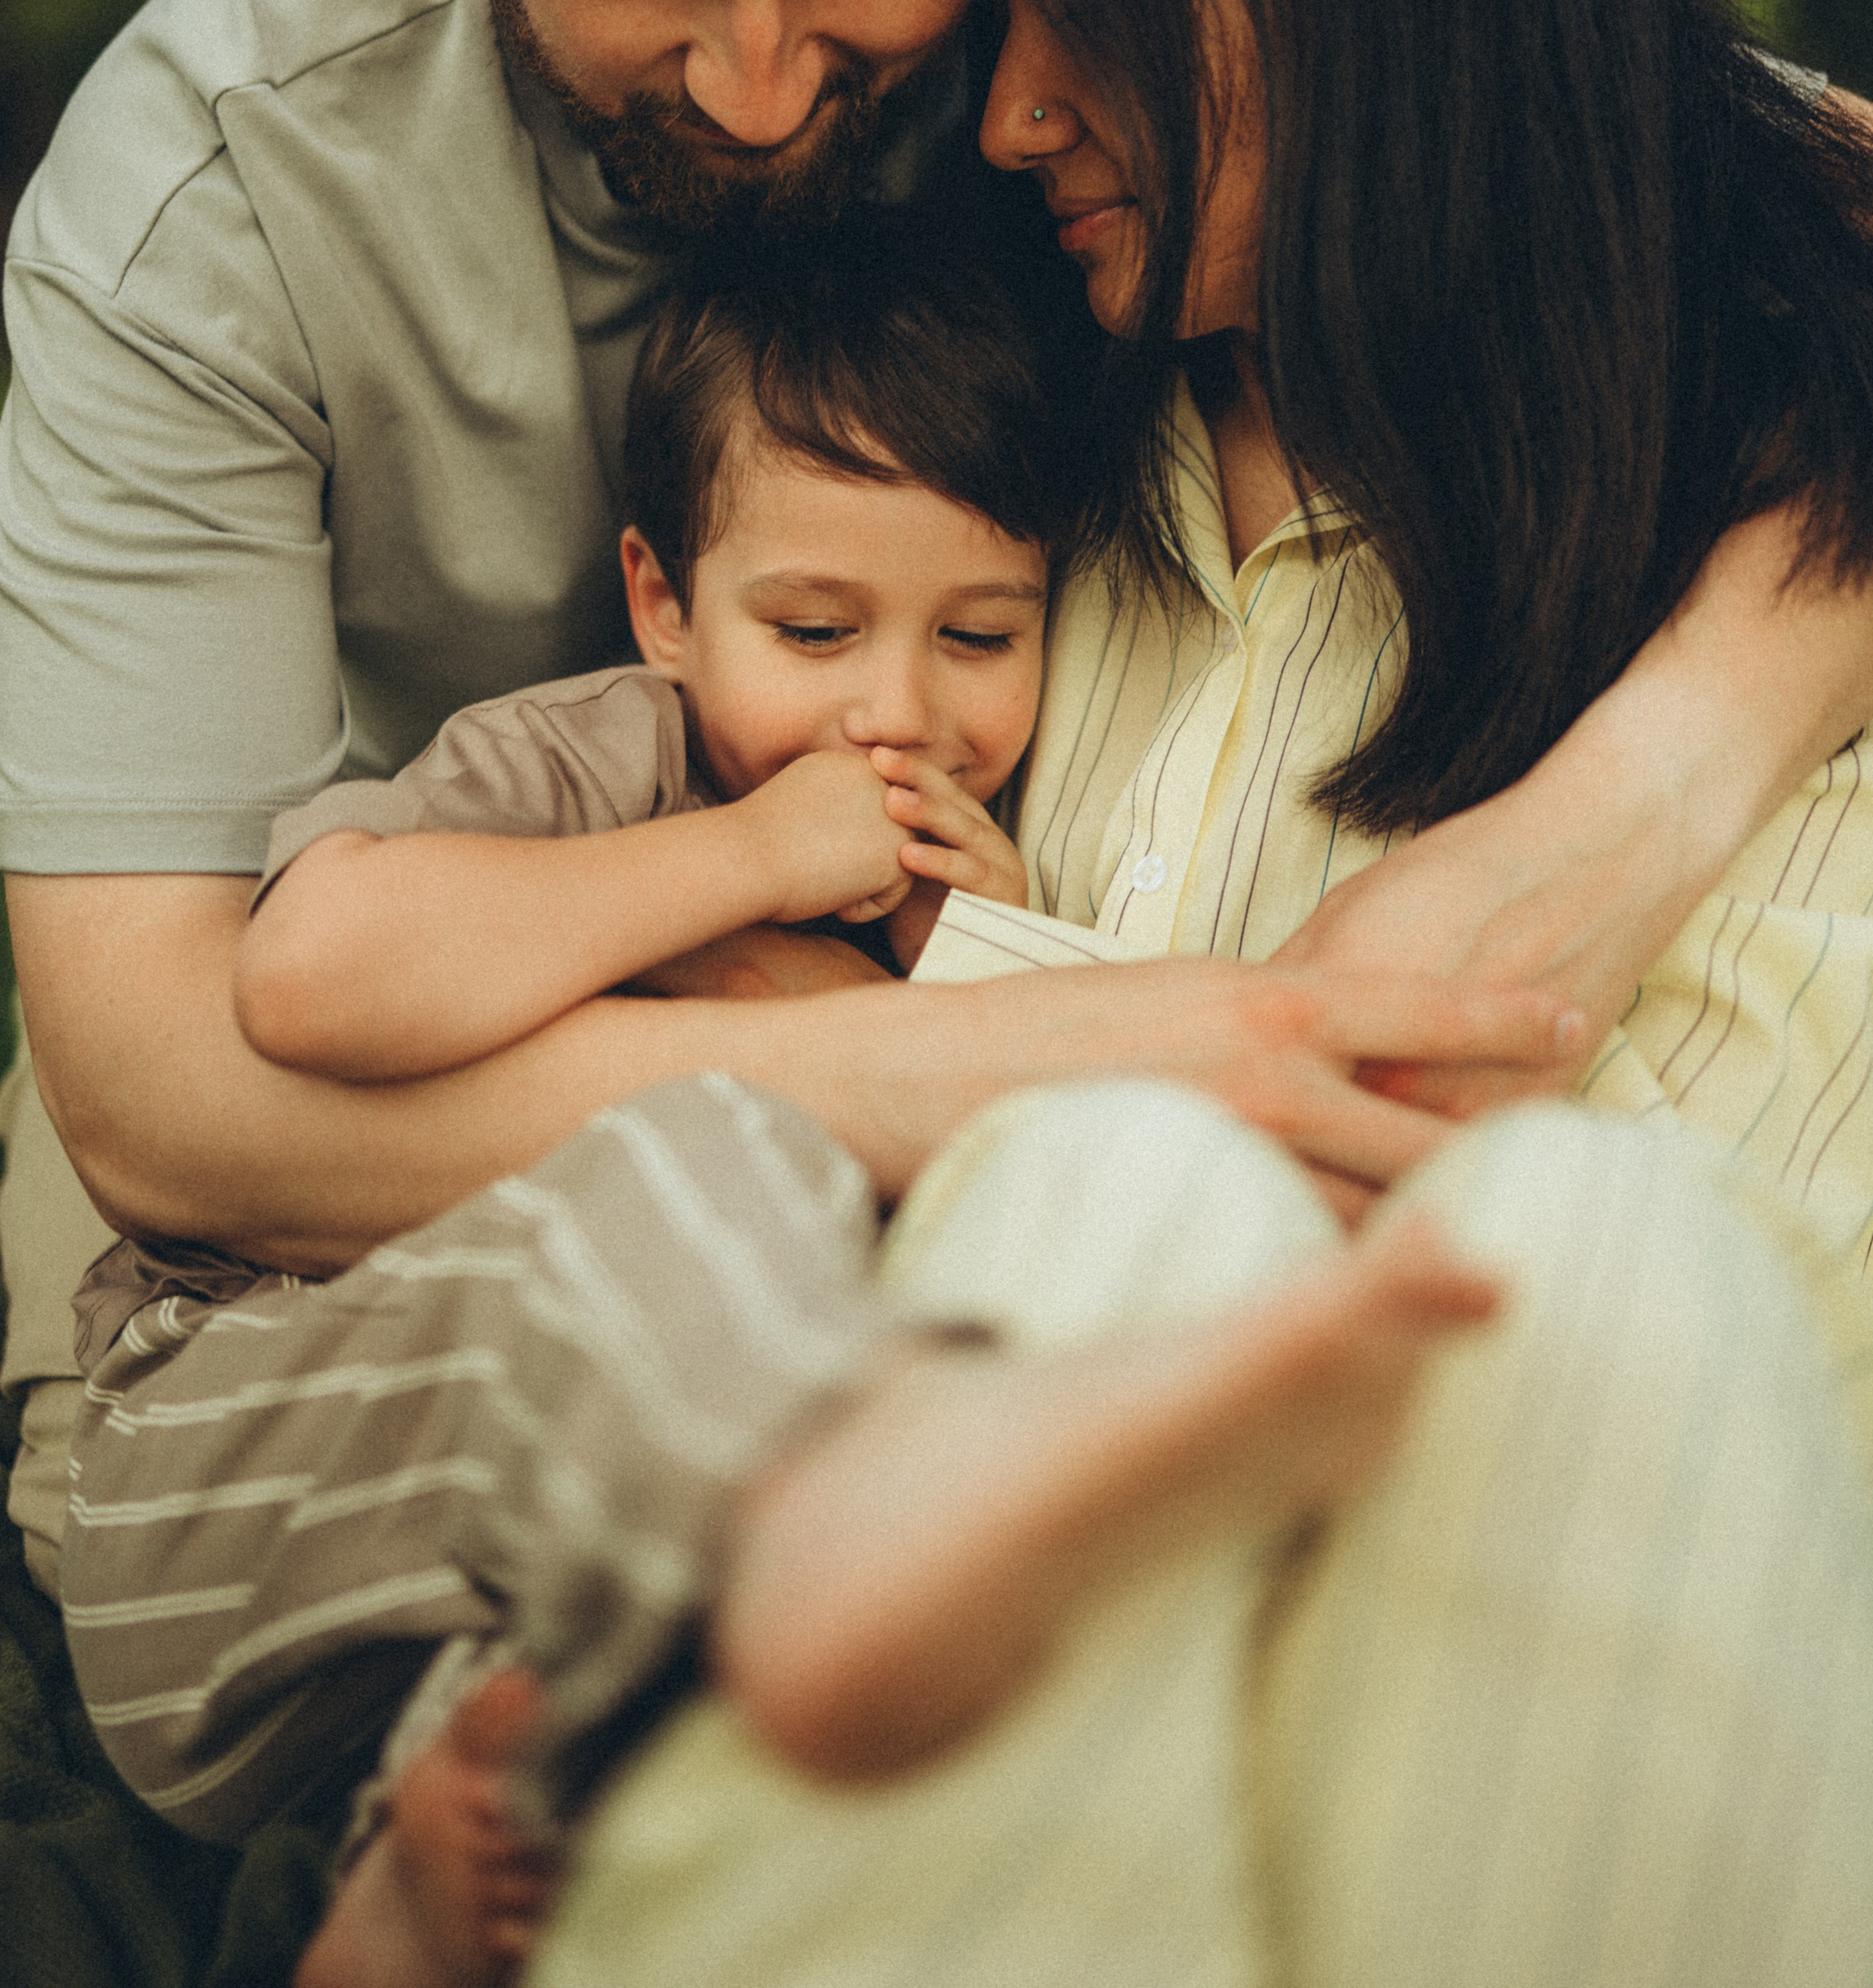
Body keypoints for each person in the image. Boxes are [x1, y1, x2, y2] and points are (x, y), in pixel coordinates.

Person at [2, 0, 1871, 1918]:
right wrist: (1065, 1043)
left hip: (957, 1252)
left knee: (1523, 1277)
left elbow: (1539, 47)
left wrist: (1764, 651)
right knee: (1091, 1224)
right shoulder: (204, 204)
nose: (778, 85)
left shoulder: (1122, 133)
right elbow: (185, 1091)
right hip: (355, 1238)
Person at [512, 0, 1873, 1988]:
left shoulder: (1780, 494)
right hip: (1072, 1727)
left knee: (1588, 1257)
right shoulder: (1009, 499)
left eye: (1086, 2)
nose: (1016, 107)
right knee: (1132, 1189)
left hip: (1629, 1633)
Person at [63, 232, 1500, 1988]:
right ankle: (858, 1504)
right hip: (212, 1513)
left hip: (515, 1581)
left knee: (783, 1351)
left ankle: (388, 1895)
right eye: (811, 630)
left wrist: (969, 956)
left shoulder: (981, 878)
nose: (894, 713)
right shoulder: (603, 762)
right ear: (664, 603)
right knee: (710, 1151)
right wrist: (750, 853)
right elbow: (309, 977)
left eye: (980, 634)